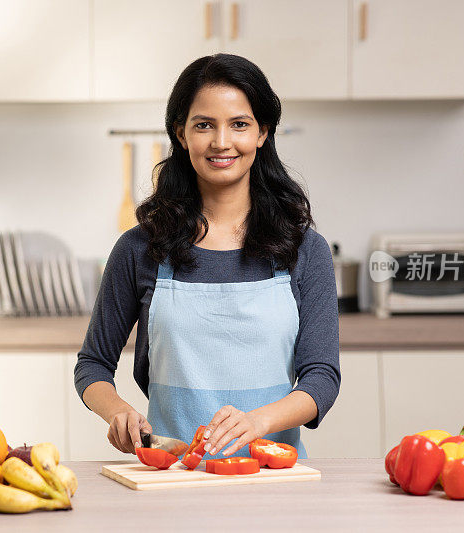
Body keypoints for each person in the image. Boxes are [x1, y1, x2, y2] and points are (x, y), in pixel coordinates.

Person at [74, 53, 340, 460]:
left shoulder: (305, 250)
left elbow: (321, 378)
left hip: (273, 479)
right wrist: (119, 412)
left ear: (262, 133)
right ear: (181, 134)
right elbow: (92, 365)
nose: (221, 142)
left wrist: (258, 422)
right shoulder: (140, 248)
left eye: (239, 124)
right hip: (172, 478)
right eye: (204, 125)